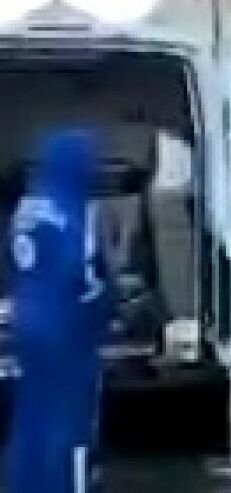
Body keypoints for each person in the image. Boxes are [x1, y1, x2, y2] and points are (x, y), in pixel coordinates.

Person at [6, 129, 114, 493]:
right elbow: (83, 274)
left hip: (27, 318)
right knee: (70, 420)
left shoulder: (25, 208)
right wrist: (105, 304)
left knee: (31, 411)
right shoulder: (74, 211)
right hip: (65, 326)